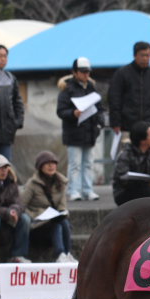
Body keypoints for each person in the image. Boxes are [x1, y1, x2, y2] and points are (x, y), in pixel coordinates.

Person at [56, 57, 105, 201]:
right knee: (75, 164)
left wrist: (99, 123)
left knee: (88, 163)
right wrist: (73, 113)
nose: (86, 75)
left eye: (87, 72)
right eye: (83, 72)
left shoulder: (92, 87)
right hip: (74, 132)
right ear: (75, 72)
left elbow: (100, 108)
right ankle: (74, 190)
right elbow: (60, 111)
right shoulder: (67, 89)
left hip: (90, 131)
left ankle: (88, 189)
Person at [21, 151, 76, 263]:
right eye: (47, 163)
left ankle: (67, 253)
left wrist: (62, 213)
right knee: (57, 225)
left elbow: (62, 205)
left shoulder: (61, 182)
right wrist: (36, 215)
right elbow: (21, 205)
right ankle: (60, 254)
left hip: (53, 220)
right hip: (37, 224)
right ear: (40, 166)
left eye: (53, 163)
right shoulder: (32, 184)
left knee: (63, 223)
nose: (51, 166)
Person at [108, 41, 150, 140]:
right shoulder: (122, 74)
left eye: (147, 55)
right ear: (135, 55)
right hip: (126, 127)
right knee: (127, 154)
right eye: (142, 55)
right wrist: (116, 122)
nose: (145, 58)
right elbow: (114, 99)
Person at [112, 120, 150, 206]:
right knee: (147, 191)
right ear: (143, 140)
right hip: (126, 191)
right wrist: (142, 182)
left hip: (146, 187)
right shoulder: (126, 154)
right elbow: (122, 177)